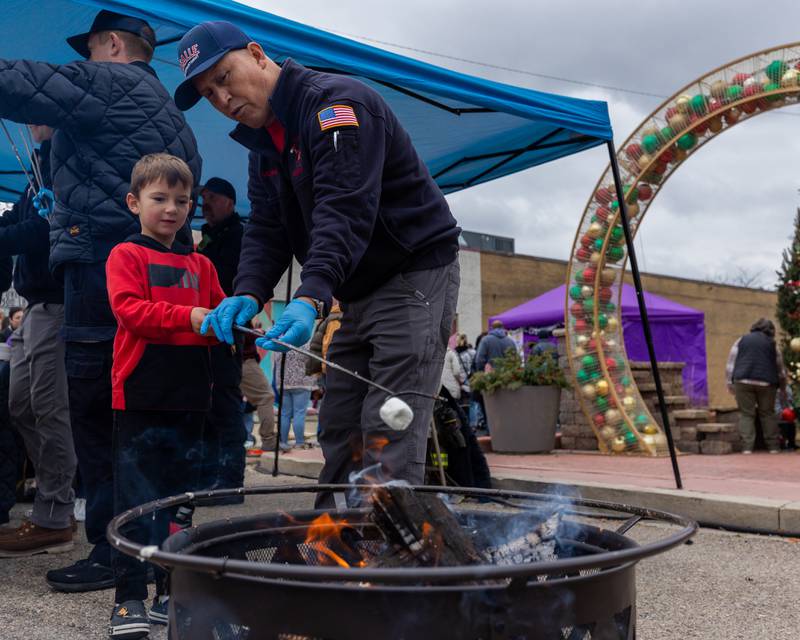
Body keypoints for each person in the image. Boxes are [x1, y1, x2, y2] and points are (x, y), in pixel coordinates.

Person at [178, 21, 460, 494]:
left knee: (390, 423)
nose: (222, 100)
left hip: (414, 273)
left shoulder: (337, 106)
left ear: (256, 54)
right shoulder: (263, 145)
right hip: (357, 288)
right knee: (339, 422)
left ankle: (391, 558)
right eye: (209, 94)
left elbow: (344, 207)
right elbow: (267, 227)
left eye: (224, 77)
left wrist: (311, 296)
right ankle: (335, 543)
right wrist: (247, 292)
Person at [0, 9, 202, 591]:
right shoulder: (170, 112)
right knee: (138, 409)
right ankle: (151, 542)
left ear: (112, 45)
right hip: (148, 273)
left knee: (95, 408)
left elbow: (23, 82)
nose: (83, 63)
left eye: (89, 51)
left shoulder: (111, 81)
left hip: (99, 270)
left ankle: (115, 551)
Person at [104, 153, 223, 638]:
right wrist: (190, 319)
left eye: (181, 200)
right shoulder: (125, 256)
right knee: (136, 500)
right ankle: (128, 598)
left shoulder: (203, 264)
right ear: (135, 202)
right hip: (139, 395)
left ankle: (169, 589)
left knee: (179, 504)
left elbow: (217, 319)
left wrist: (243, 327)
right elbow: (131, 312)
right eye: (159, 199)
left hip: (191, 395)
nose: (171, 209)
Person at [0, 125, 76, 558]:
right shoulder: (36, 164)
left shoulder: (62, 160)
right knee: (20, 403)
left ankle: (56, 511)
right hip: (34, 306)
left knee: (49, 406)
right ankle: (50, 494)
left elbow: (39, 231)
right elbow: (17, 221)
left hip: (56, 300)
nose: (30, 121)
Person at [196, 177, 247, 494]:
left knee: (226, 402)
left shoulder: (239, 237)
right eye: (203, 198)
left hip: (227, 331)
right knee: (208, 402)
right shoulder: (209, 236)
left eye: (211, 198)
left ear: (229, 201)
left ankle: (229, 479)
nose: (205, 205)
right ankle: (210, 473)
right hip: (205, 330)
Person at [726, 318, 787, 454]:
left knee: (747, 414)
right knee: (767, 414)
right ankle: (773, 447)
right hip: (767, 383)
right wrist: (783, 387)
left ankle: (747, 447)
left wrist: (729, 382)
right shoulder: (772, 344)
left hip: (743, 381)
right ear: (771, 331)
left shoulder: (741, 340)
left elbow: (731, 363)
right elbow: (780, 369)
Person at [275, 346, 316, 451]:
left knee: (284, 413)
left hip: (283, 382)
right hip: (302, 382)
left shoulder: (280, 343)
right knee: (299, 413)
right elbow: (312, 362)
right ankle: (299, 442)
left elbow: (274, 363)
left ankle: (283, 442)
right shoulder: (306, 343)